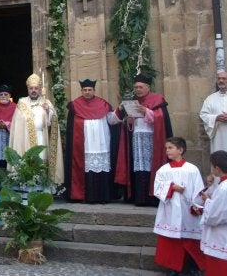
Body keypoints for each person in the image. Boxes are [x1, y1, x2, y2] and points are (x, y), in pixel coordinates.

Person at [112, 74, 173, 206]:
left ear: (147, 87)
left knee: (152, 166)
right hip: (136, 138)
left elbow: (161, 118)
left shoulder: (157, 99)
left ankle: (152, 198)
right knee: (138, 167)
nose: (138, 89)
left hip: (152, 139)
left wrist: (146, 111)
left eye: (140, 87)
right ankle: (139, 198)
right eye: (136, 87)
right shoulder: (133, 101)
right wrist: (129, 120)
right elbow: (120, 121)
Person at [153, 137, 205, 276]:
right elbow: (157, 189)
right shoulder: (163, 170)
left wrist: (197, 206)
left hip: (188, 211)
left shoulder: (192, 169)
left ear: (180, 150)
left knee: (191, 240)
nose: (167, 150)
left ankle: (194, 267)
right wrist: (172, 187)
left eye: (170, 148)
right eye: (166, 148)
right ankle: (173, 268)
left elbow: (199, 190)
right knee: (172, 241)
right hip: (170, 210)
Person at [64, 79, 119, 203]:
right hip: (85, 144)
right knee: (85, 167)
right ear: (81, 90)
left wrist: (120, 111)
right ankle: (85, 196)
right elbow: (71, 129)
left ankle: (103, 196)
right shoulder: (75, 105)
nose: (87, 92)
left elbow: (111, 120)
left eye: (90, 90)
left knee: (102, 167)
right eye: (85, 90)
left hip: (101, 143)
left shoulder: (103, 104)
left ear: (94, 90)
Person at [9, 73, 64, 186]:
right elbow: (17, 125)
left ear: (39, 89)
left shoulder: (46, 103)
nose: (33, 90)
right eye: (31, 88)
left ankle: (42, 186)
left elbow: (52, 123)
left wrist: (48, 111)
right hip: (25, 139)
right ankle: (26, 185)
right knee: (27, 161)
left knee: (42, 160)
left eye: (36, 88)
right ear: (28, 89)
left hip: (41, 138)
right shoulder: (22, 103)